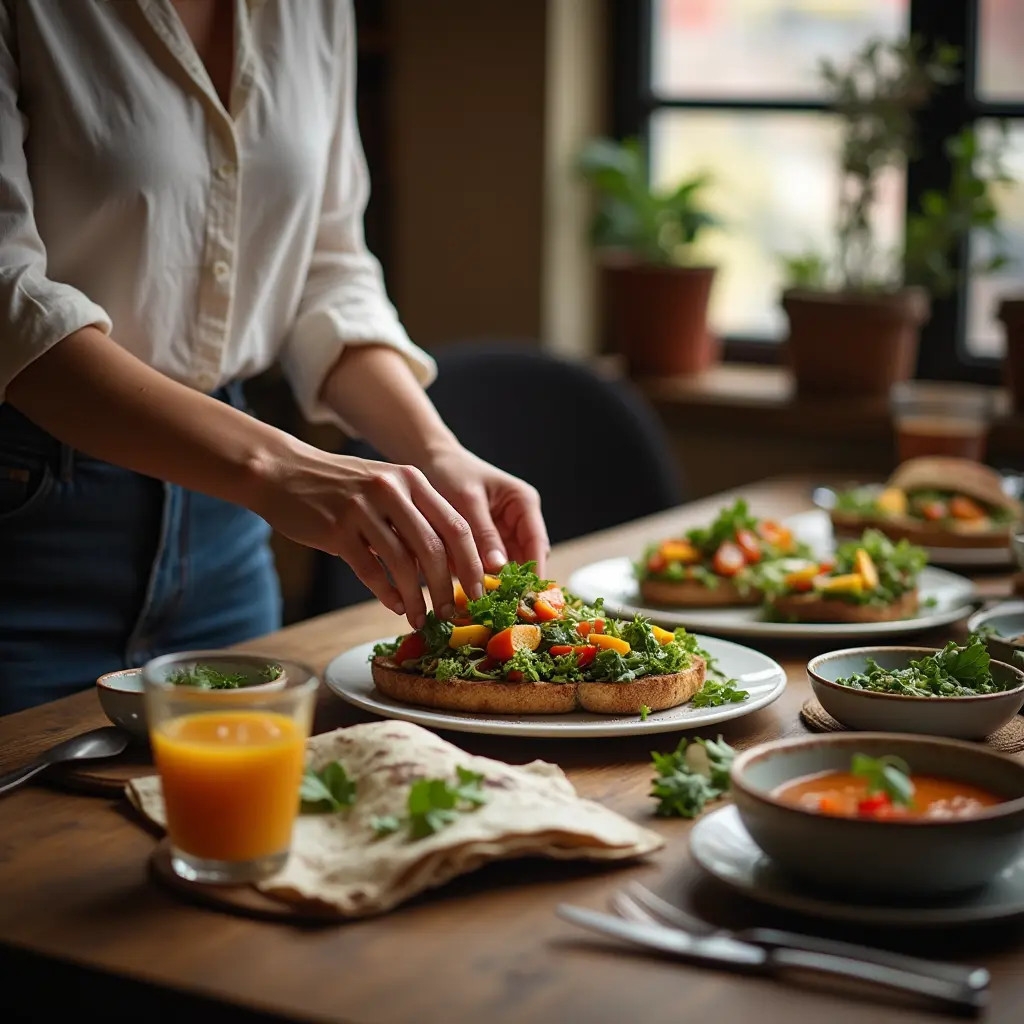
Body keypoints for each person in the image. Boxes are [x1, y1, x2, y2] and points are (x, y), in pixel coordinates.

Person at [0, 0, 548, 715]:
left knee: (258, 821)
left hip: (225, 539)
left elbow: (325, 268)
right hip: (28, 522)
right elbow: (8, 298)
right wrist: (277, 467)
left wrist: (434, 451)